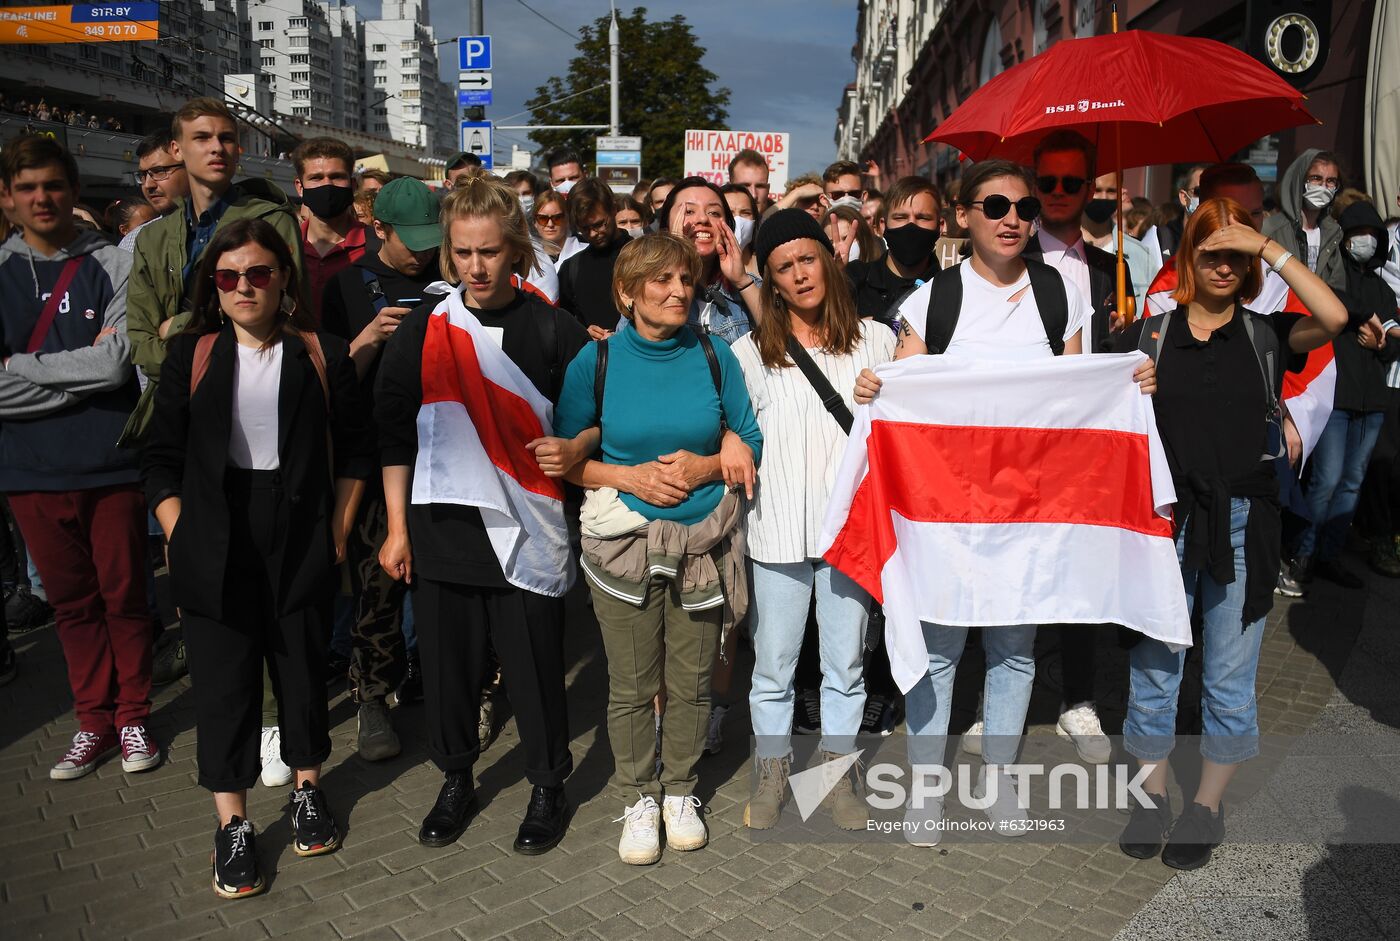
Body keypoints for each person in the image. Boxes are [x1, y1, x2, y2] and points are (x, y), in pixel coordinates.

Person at [853, 159, 1155, 839]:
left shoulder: (1061, 293)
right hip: (947, 514)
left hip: (1029, 510)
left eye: (1022, 206)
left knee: (1016, 651)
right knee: (940, 653)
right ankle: (925, 793)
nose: (1012, 218)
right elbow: (903, 392)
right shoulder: (935, 300)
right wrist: (878, 389)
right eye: (995, 206)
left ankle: (999, 783)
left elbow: (1079, 396)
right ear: (964, 217)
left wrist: (1131, 385)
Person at [1113, 197, 1345, 870]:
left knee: (1229, 673)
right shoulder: (1149, 336)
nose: (1223, 264)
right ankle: (1153, 792)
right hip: (1164, 519)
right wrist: (1130, 379)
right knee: (1156, 664)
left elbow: (1334, 318)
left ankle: (1207, 803)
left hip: (1245, 521)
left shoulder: (1266, 333)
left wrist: (1270, 248)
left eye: (1235, 255)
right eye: (1210, 251)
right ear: (1188, 257)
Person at [142, 218, 371, 898]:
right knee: (224, 678)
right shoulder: (194, 354)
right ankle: (233, 824)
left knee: (300, 665)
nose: (245, 286)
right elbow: (159, 457)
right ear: (214, 285)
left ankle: (307, 790)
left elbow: (357, 448)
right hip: (213, 527)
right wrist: (179, 529)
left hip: (300, 525)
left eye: (259, 273)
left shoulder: (320, 350)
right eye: (229, 276)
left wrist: (340, 525)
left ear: (283, 281)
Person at [375, 176, 588, 856]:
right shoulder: (426, 326)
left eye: (490, 251)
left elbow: (595, 421)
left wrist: (577, 445)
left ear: (515, 249)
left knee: (534, 669)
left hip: (530, 525)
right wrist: (397, 528)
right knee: (447, 667)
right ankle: (455, 777)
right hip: (445, 527)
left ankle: (548, 782)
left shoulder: (555, 328)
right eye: (463, 252)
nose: (476, 266)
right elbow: (391, 427)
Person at [552, 231, 762, 865]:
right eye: (662, 281)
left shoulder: (714, 353)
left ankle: (680, 791)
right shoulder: (597, 362)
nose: (680, 291)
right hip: (624, 546)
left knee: (694, 682)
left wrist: (707, 466)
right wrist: (632, 477)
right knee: (633, 683)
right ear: (626, 292)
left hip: (702, 544)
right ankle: (640, 797)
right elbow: (567, 462)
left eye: (687, 280)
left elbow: (746, 435)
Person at [0, 135, 155, 782]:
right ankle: (92, 720)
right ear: (7, 198)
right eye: (27, 187)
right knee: (71, 602)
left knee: (125, 594)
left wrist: (19, 368)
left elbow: (117, 360)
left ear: (73, 189)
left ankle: (134, 715)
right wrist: (78, 368)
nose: (42, 198)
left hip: (111, 460)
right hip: (30, 469)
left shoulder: (113, 265)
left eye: (54, 185)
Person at [736, 210, 895, 831]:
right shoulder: (749, 353)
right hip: (775, 529)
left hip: (847, 533)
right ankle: (772, 770)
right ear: (770, 281)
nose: (800, 276)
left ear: (828, 259)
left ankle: (836, 774)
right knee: (773, 665)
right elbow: (734, 429)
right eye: (784, 268)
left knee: (846, 664)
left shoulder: (877, 341)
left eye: (807, 260)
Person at [321, 176, 444, 758]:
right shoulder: (346, 286)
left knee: (443, 581)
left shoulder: (450, 280)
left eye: (430, 237)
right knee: (379, 585)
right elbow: (328, 381)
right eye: (410, 240)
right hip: (373, 461)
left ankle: (438, 679)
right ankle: (371, 696)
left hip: (445, 456)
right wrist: (367, 337)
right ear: (378, 229)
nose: (422, 252)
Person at [125, 97, 306, 444]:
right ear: (177, 149)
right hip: (173, 409)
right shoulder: (152, 238)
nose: (217, 148)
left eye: (225, 138)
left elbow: (290, 311)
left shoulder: (272, 220)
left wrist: (176, 325)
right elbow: (140, 337)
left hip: (254, 402)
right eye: (202, 138)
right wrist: (187, 370)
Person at [1292, 197, 1398, 588]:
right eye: (1357, 234)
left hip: (1373, 401)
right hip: (1336, 397)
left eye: (1372, 235)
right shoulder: (1333, 279)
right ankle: (1304, 554)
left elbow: (1394, 342)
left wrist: (1382, 345)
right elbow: (1334, 303)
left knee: (1352, 481)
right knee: (1327, 479)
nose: (1364, 241)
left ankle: (1330, 556)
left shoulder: (1384, 291)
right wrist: (1363, 319)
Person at [659, 177, 764, 343]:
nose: (703, 219)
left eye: (714, 213)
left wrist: (742, 282)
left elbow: (785, 342)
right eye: (689, 211)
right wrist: (675, 261)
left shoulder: (751, 286)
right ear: (666, 227)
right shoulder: (643, 288)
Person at [844, 176, 943, 326]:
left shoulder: (950, 289)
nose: (911, 225)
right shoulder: (856, 279)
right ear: (883, 225)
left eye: (923, 217)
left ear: (940, 226)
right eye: (900, 217)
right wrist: (834, 276)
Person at [293, 138, 365, 326]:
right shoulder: (284, 249)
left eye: (337, 177)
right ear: (300, 188)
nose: (328, 185)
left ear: (353, 185)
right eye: (316, 178)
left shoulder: (377, 246)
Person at [1264, 149, 1346, 291]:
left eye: (1331, 181)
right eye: (1316, 178)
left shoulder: (1333, 232)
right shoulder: (1271, 229)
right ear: (1300, 181)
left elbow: (1337, 286)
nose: (1323, 187)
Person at [559, 179, 631, 339]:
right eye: (584, 228)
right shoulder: (570, 269)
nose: (592, 234)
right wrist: (583, 334)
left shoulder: (643, 255)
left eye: (599, 224)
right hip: (593, 358)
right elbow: (565, 326)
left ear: (613, 209)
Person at [1082, 171, 1157, 302]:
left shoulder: (1140, 255)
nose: (1103, 197)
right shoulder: (1066, 249)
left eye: (1111, 191)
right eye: (1097, 190)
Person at [119, 131, 190, 252]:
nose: (148, 185)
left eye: (159, 171)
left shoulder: (227, 227)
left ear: (190, 168)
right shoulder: (134, 242)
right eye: (142, 175)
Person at [1142, 163, 1207, 265]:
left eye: (1211, 193)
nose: (1205, 198)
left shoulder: (1223, 240)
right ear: (1184, 198)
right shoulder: (1160, 238)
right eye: (1198, 191)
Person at [531, 190, 568, 262]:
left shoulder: (583, 253)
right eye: (543, 219)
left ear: (566, 219)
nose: (550, 224)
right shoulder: (527, 261)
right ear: (535, 222)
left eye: (557, 218)